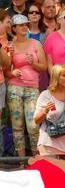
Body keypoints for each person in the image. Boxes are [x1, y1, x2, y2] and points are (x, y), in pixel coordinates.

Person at [6, 14, 47, 157]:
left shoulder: (36, 44)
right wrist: (12, 72)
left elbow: (44, 67)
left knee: (33, 126)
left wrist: (32, 63)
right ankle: (22, 161)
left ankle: (36, 160)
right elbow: (5, 71)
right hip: (14, 88)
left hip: (32, 88)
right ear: (14, 28)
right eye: (21, 25)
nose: (24, 27)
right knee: (17, 127)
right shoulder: (10, 45)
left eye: (26, 24)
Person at [34, 64, 65, 162]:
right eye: (63, 75)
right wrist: (44, 111)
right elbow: (36, 121)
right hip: (49, 143)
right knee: (50, 175)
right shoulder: (45, 95)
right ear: (56, 77)